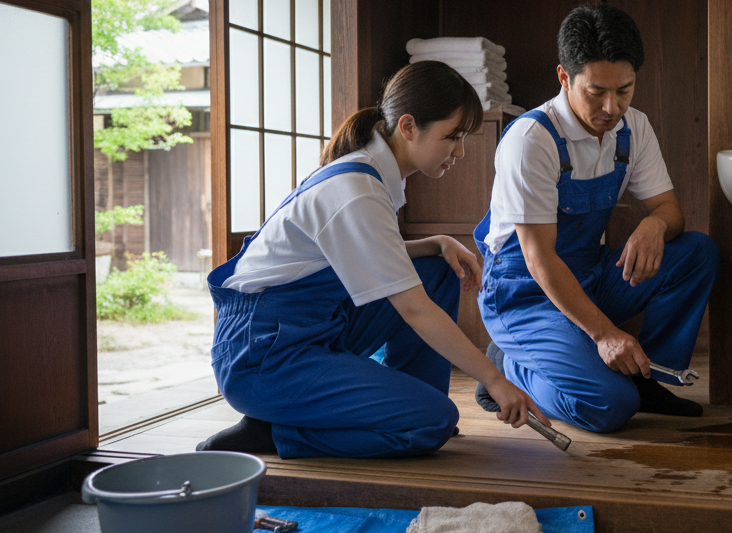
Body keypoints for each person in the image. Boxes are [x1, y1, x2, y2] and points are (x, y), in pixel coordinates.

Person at [197, 61, 547, 459]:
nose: (461, 152)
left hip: (314, 329)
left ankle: (406, 403)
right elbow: (414, 310)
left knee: (435, 269)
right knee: (433, 422)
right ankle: (278, 434)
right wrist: (496, 381)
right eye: (452, 137)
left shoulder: (375, 176)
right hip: (262, 357)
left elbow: (363, 257)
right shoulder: (357, 188)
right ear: (409, 126)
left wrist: (435, 241)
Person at [473, 3, 720, 434]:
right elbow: (538, 259)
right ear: (564, 77)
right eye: (596, 92)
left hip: (587, 276)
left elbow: (671, 212)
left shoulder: (634, 128)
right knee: (607, 406)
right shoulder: (531, 141)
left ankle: (652, 379)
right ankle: (510, 366)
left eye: (624, 90)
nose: (612, 106)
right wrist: (605, 334)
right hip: (524, 295)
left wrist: (653, 224)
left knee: (696, 253)